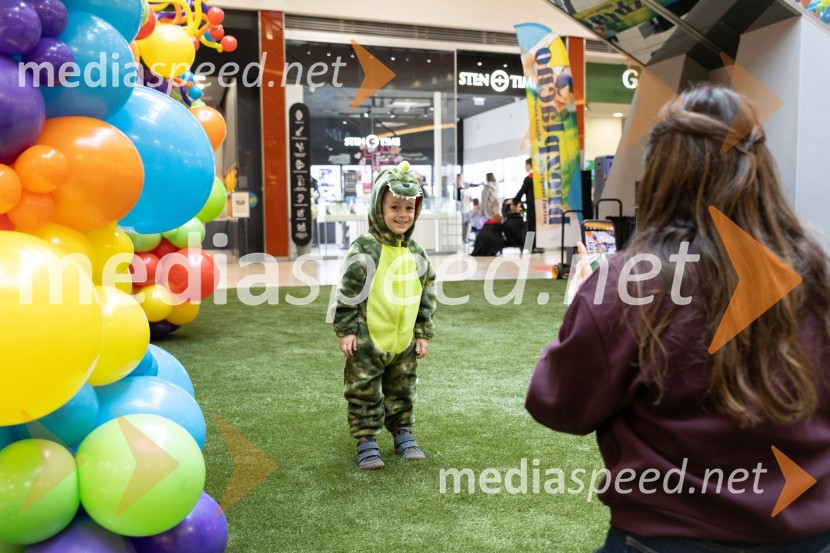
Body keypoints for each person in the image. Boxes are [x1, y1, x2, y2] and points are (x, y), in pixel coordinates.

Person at [526, 84, 830, 550]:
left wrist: (581, 306)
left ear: (663, 170)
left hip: (665, 539)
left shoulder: (626, 283)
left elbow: (558, 404)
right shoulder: (816, 272)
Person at [333, 160, 437, 471]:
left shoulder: (417, 253)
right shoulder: (365, 248)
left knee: (403, 387)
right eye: (394, 207)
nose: (402, 215)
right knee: (363, 389)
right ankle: (366, 439)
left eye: (409, 208)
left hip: (403, 339)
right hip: (367, 340)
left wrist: (422, 332)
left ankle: (403, 432)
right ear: (379, 207)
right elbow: (348, 290)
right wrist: (346, 330)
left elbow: (426, 296)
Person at [513, 158, 543, 253]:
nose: (525, 167)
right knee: (539, 226)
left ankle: (531, 247)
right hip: (541, 206)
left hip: (532, 207)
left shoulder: (529, 179)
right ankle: (540, 246)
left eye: (526, 165)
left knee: (531, 226)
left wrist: (514, 201)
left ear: (530, 165)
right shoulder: (540, 178)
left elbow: (521, 192)